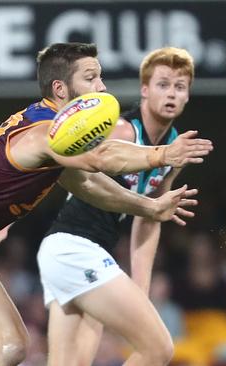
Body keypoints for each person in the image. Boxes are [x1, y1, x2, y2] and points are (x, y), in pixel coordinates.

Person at [0, 42, 213, 366]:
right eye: (90, 78)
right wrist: (162, 154)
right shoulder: (46, 134)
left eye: (99, 77)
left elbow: (87, 184)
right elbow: (103, 157)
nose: (101, 87)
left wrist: (148, 208)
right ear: (60, 88)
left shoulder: (55, 136)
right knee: (11, 345)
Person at [34, 47, 194, 366]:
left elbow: (150, 217)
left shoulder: (173, 146)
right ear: (145, 90)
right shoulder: (120, 130)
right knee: (159, 349)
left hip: (71, 253)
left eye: (180, 86)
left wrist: (141, 288)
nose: (172, 94)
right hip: (76, 246)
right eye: (163, 84)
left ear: (188, 94)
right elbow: (59, 166)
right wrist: (6, 217)